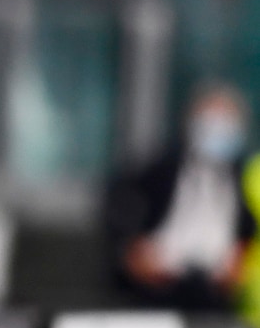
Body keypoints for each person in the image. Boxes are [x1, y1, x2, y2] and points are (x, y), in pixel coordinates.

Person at [105, 83, 255, 312]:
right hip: (159, 287)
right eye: (210, 121)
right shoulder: (161, 169)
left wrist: (236, 266)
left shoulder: (243, 176)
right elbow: (119, 202)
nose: (218, 130)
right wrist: (132, 251)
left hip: (214, 293)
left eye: (226, 121)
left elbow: (246, 230)